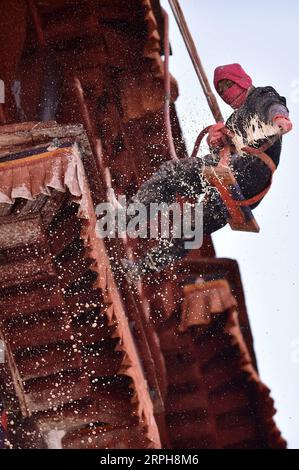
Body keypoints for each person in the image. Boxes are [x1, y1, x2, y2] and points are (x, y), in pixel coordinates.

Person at [122, 64, 293, 281]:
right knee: (191, 225)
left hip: (248, 170)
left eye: (228, 85)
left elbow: (273, 106)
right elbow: (223, 150)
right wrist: (217, 141)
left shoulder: (259, 96)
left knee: (172, 172)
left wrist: (279, 119)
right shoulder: (234, 120)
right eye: (221, 91)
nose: (226, 94)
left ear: (242, 81)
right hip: (237, 186)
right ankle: (140, 268)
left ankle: (131, 217)